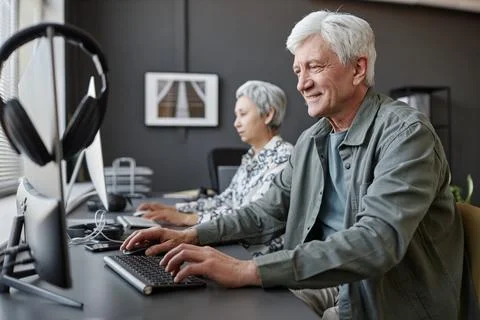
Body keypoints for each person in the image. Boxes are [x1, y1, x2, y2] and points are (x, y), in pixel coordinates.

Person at [122, 10, 469, 319]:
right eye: (298, 70)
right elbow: (265, 211)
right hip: (326, 281)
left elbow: (377, 241)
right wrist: (192, 235)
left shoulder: (407, 133)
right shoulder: (312, 139)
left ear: (358, 68)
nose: (302, 84)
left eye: (315, 67)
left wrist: (249, 270)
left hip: (383, 298)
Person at [136, 80, 293, 256]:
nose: (236, 123)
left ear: (268, 115)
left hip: (256, 252)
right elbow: (225, 200)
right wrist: (175, 209)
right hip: (234, 241)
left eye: (243, 114)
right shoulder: (252, 156)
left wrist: (188, 219)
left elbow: (249, 216)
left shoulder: (284, 158)